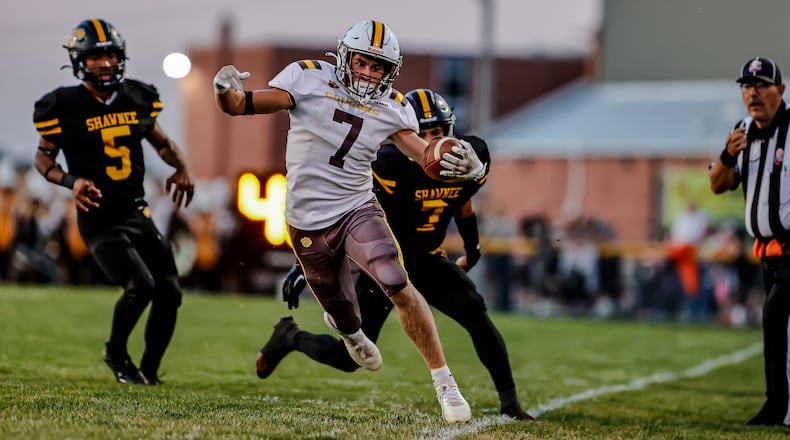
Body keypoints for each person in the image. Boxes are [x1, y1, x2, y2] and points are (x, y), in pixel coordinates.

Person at [213, 20, 485, 423]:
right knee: (344, 314)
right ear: (345, 57)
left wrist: (466, 166)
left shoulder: (392, 105)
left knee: (396, 280)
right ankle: (351, 333)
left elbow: (424, 156)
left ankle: (445, 384)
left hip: (357, 207)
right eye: (363, 63)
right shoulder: (307, 78)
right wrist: (224, 90)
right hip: (306, 220)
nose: (369, 73)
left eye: (378, 67)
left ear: (390, 72)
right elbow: (240, 105)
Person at [257, 88, 533, 420]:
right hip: (384, 262)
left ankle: (510, 404)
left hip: (429, 259)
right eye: (422, 134)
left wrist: (472, 247)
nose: (431, 142)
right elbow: (343, 212)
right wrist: (305, 263)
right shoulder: (386, 163)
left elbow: (464, 203)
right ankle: (290, 336)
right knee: (351, 358)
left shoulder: (464, 158)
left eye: (438, 132)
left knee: (477, 316)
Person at [33, 18, 195, 385]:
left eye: (111, 56)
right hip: (98, 216)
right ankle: (116, 353)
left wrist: (182, 167)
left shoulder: (137, 96)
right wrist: (71, 181)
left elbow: (163, 144)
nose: (105, 64)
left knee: (170, 290)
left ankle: (149, 370)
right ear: (80, 61)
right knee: (141, 286)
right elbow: (43, 158)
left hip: (135, 209)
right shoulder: (63, 105)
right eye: (95, 57)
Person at [709, 56, 789, 426]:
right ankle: (782, 408)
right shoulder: (741, 131)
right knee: (780, 325)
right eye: (746, 86)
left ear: (780, 90)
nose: (752, 93)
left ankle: (777, 405)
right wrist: (728, 155)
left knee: (774, 315)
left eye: (761, 85)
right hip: (766, 253)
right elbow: (717, 184)